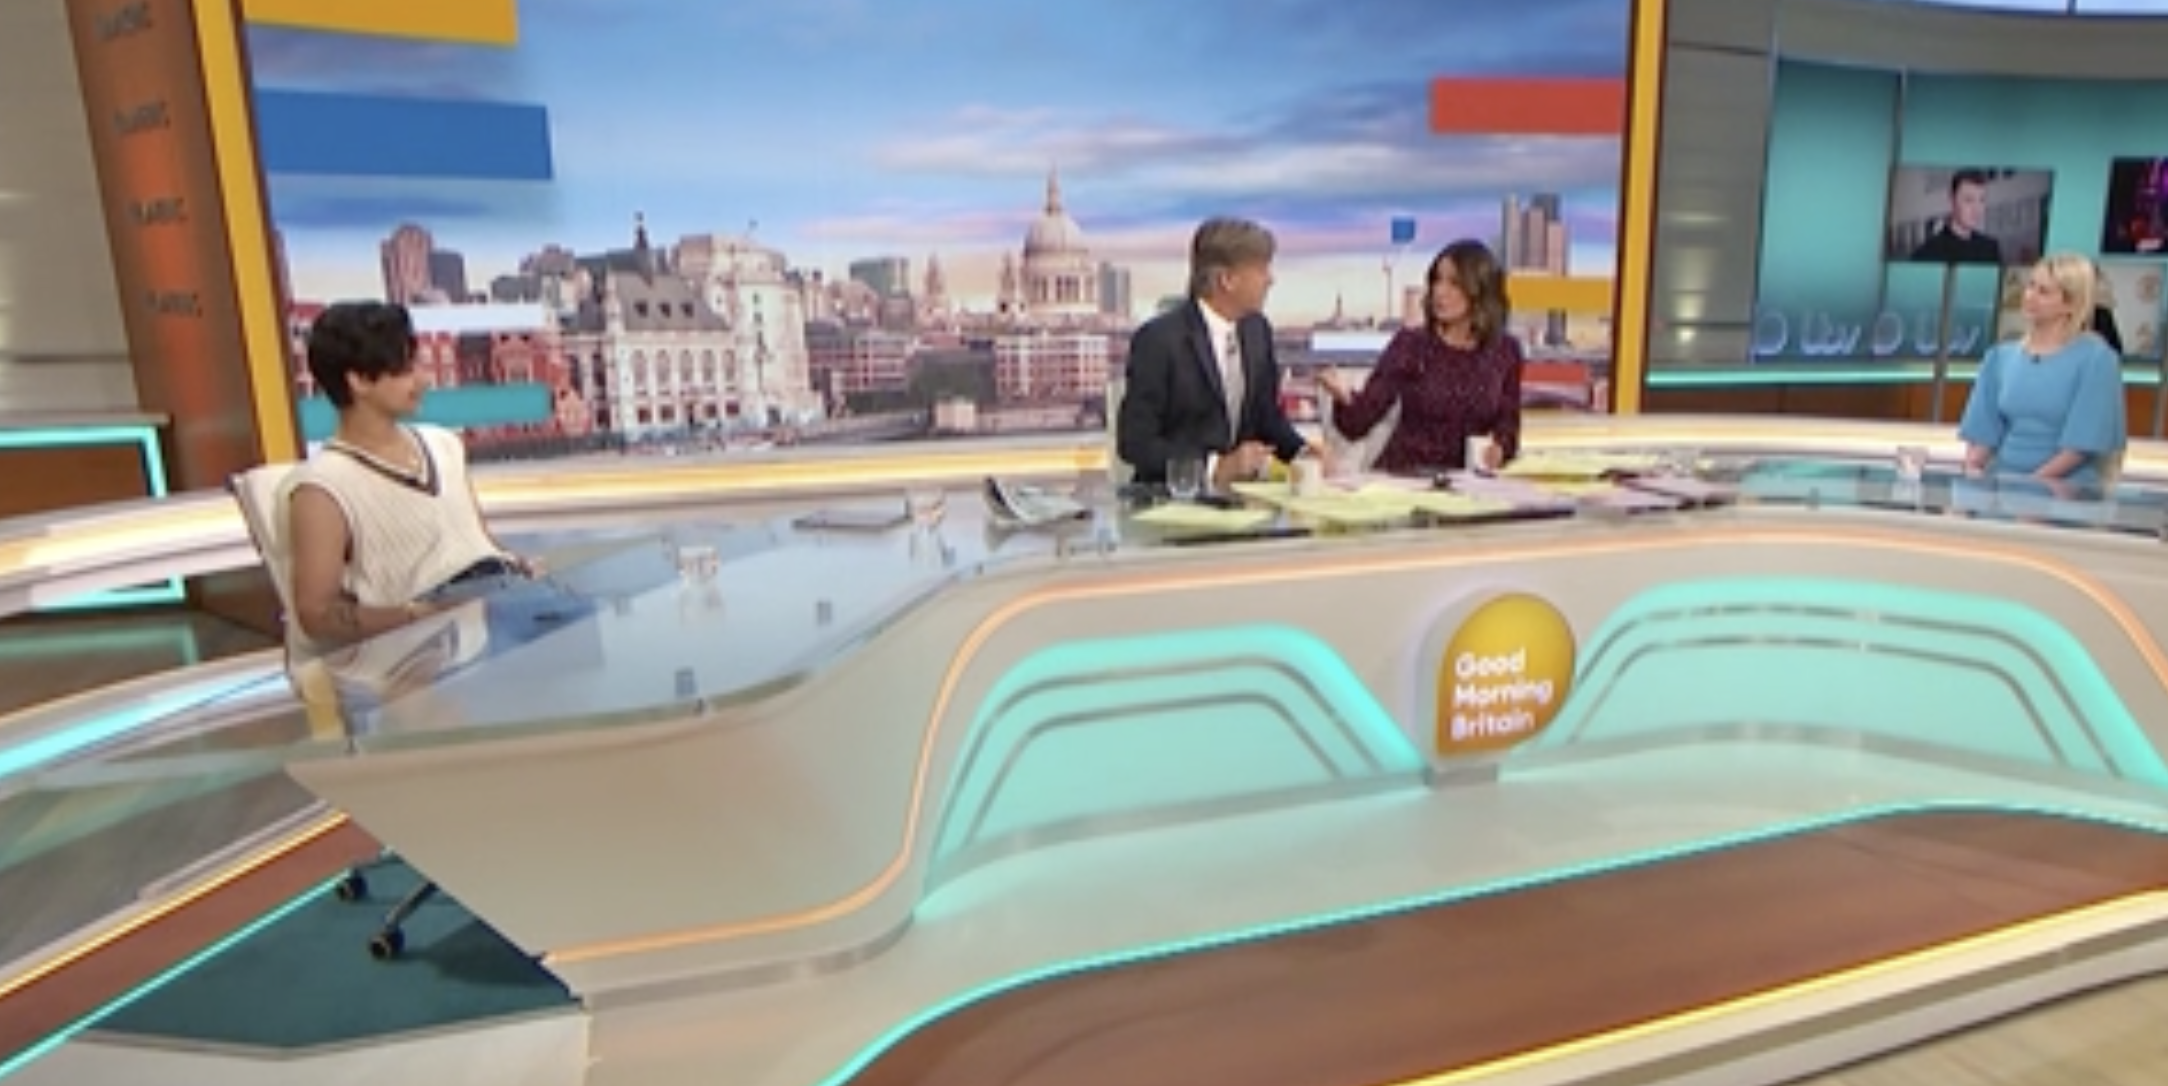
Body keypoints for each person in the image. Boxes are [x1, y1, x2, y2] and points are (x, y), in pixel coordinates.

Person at [283, 300, 537, 659]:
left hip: (502, 602)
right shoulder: (321, 488)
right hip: (429, 646)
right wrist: (418, 617)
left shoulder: (444, 444)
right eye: (404, 370)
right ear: (358, 381)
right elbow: (317, 615)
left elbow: (476, 540)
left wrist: (517, 565)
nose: (423, 380)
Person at [1116, 217, 1323, 488]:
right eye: (1261, 270)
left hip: (1243, 504)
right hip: (1172, 504)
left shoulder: (1257, 331)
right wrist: (1215, 467)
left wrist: (1302, 454)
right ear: (1227, 280)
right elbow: (1136, 444)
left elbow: (1267, 418)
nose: (1270, 280)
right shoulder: (1160, 340)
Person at [1317, 239, 1524, 475]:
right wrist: (1343, 397)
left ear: (1479, 290)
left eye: (1454, 283)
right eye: (1437, 279)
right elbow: (1357, 424)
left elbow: (1508, 427)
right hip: (1405, 480)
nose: (1439, 291)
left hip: (1468, 485)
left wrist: (1500, 449)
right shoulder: (1411, 345)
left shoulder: (1505, 351)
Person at [1959, 253, 2127, 485]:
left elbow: (2080, 448)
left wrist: (2030, 490)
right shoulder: (2000, 357)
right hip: (2002, 485)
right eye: (2031, 286)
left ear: (2071, 303)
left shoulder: (2097, 360)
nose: (2030, 297)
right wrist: (1972, 474)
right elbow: (1983, 434)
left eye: (2044, 292)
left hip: (2065, 491)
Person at [1909, 169, 2003, 265]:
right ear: (1952, 200)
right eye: (1969, 200)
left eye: (1982, 200)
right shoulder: (1926, 254)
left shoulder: (1990, 248)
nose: (1977, 209)